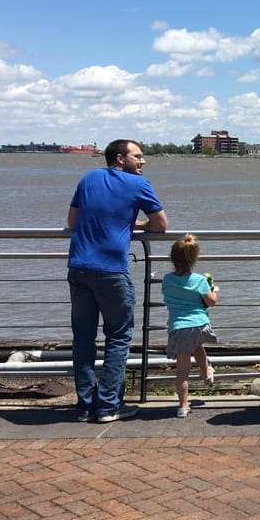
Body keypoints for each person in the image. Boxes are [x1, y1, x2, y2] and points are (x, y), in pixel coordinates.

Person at [66, 139, 168, 423]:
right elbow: (161, 224)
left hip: (78, 268)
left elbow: (73, 222)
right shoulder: (139, 185)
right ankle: (108, 406)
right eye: (138, 156)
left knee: (83, 339)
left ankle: (85, 406)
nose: (143, 161)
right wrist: (139, 225)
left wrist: (125, 222)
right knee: (119, 336)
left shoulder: (89, 178)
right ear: (121, 159)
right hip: (111, 271)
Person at [162, 234, 218, 418]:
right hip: (199, 325)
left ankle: (183, 405)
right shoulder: (200, 280)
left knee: (182, 371)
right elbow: (211, 302)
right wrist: (213, 290)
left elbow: (169, 296)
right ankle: (206, 372)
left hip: (178, 326)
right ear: (195, 259)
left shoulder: (167, 280)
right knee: (196, 345)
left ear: (172, 258)